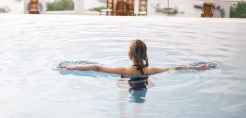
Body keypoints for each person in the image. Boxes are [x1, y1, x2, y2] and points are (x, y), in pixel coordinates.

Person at [60, 39, 209, 75]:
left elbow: (96, 67)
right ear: (144, 55)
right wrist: (197, 67)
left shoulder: (123, 71)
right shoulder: (151, 70)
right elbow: (176, 67)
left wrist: (71, 67)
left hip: (127, 80)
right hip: (146, 80)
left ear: (129, 54)